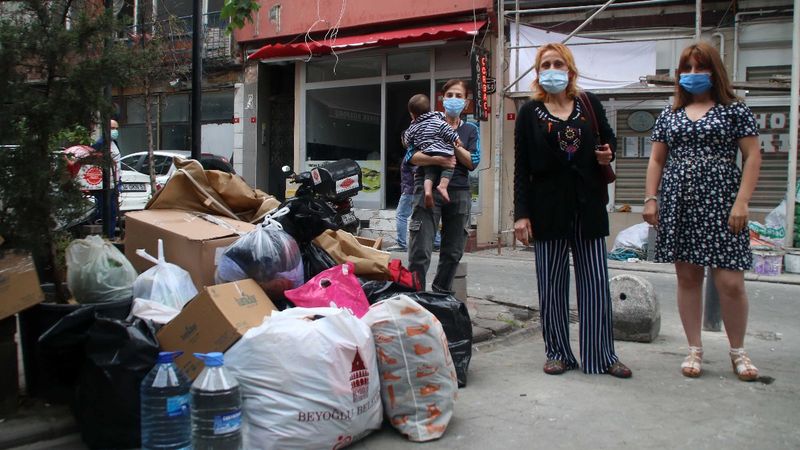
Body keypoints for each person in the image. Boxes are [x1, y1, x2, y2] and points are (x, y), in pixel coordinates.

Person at [643, 42, 761, 381]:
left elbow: (752, 156)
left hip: (723, 201)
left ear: (715, 71)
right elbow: (656, 159)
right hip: (680, 201)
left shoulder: (735, 110)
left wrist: (742, 201)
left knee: (731, 282)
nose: (694, 75)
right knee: (688, 277)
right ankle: (694, 348)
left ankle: (738, 351)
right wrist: (651, 198)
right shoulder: (670, 115)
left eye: (701, 67)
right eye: (688, 69)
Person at [513, 43, 631, 378]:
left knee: (595, 282)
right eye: (546, 64)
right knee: (551, 284)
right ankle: (558, 352)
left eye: (558, 64)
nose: (552, 70)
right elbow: (521, 166)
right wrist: (521, 214)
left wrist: (607, 155)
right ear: (538, 73)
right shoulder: (528, 112)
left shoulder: (588, 104)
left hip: (588, 203)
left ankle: (602, 355)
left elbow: (609, 142)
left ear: (570, 70)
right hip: (546, 207)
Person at [407, 79, 479, 293]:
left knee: (453, 251)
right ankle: (415, 298)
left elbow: (472, 161)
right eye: (449, 95)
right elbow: (411, 156)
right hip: (426, 188)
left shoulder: (471, 129)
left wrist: (450, 142)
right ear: (442, 99)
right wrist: (439, 160)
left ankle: (440, 294)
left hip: (459, 193)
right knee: (421, 248)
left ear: (466, 103)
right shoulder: (424, 122)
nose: (453, 100)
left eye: (459, 96)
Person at [402, 94, 462, 208]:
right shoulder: (438, 120)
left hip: (426, 152)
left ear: (412, 114)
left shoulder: (413, 126)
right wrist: (456, 139)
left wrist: (409, 138)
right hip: (443, 151)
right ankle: (443, 186)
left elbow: (407, 141)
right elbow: (447, 130)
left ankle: (428, 191)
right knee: (449, 168)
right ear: (430, 108)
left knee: (429, 173)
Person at [91, 119, 122, 235]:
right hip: (105, 183)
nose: (115, 131)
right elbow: (93, 159)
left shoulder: (115, 143)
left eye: (116, 129)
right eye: (113, 128)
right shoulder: (101, 144)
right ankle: (108, 234)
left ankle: (111, 234)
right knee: (107, 211)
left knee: (113, 212)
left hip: (115, 181)